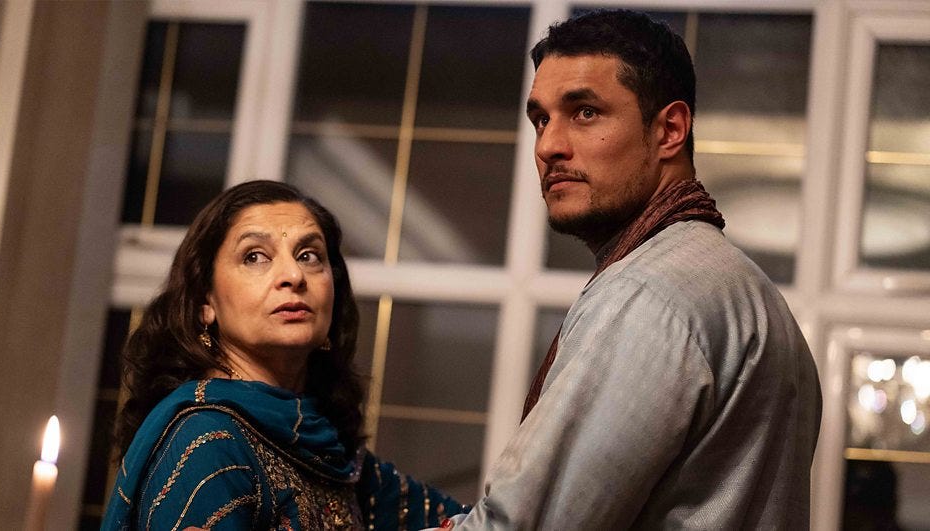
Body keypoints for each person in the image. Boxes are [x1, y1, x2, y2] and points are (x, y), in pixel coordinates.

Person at [448, 9, 822, 529]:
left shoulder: (650, 293)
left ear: (670, 130)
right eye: (541, 119)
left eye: (584, 112)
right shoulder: (749, 292)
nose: (548, 145)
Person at [101, 180, 466, 530]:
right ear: (204, 302)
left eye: (309, 256)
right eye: (255, 256)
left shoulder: (325, 448)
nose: (293, 275)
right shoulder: (207, 442)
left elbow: (479, 522)